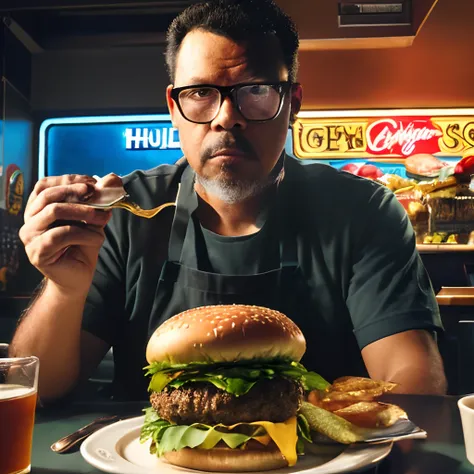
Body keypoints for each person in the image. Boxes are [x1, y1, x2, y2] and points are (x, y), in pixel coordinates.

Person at [11, 0, 446, 402]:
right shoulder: (124, 214)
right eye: (200, 93)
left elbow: (411, 383)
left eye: (254, 90)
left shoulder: (362, 212)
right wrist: (64, 287)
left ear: (292, 103)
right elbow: (38, 389)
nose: (226, 117)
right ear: (173, 107)